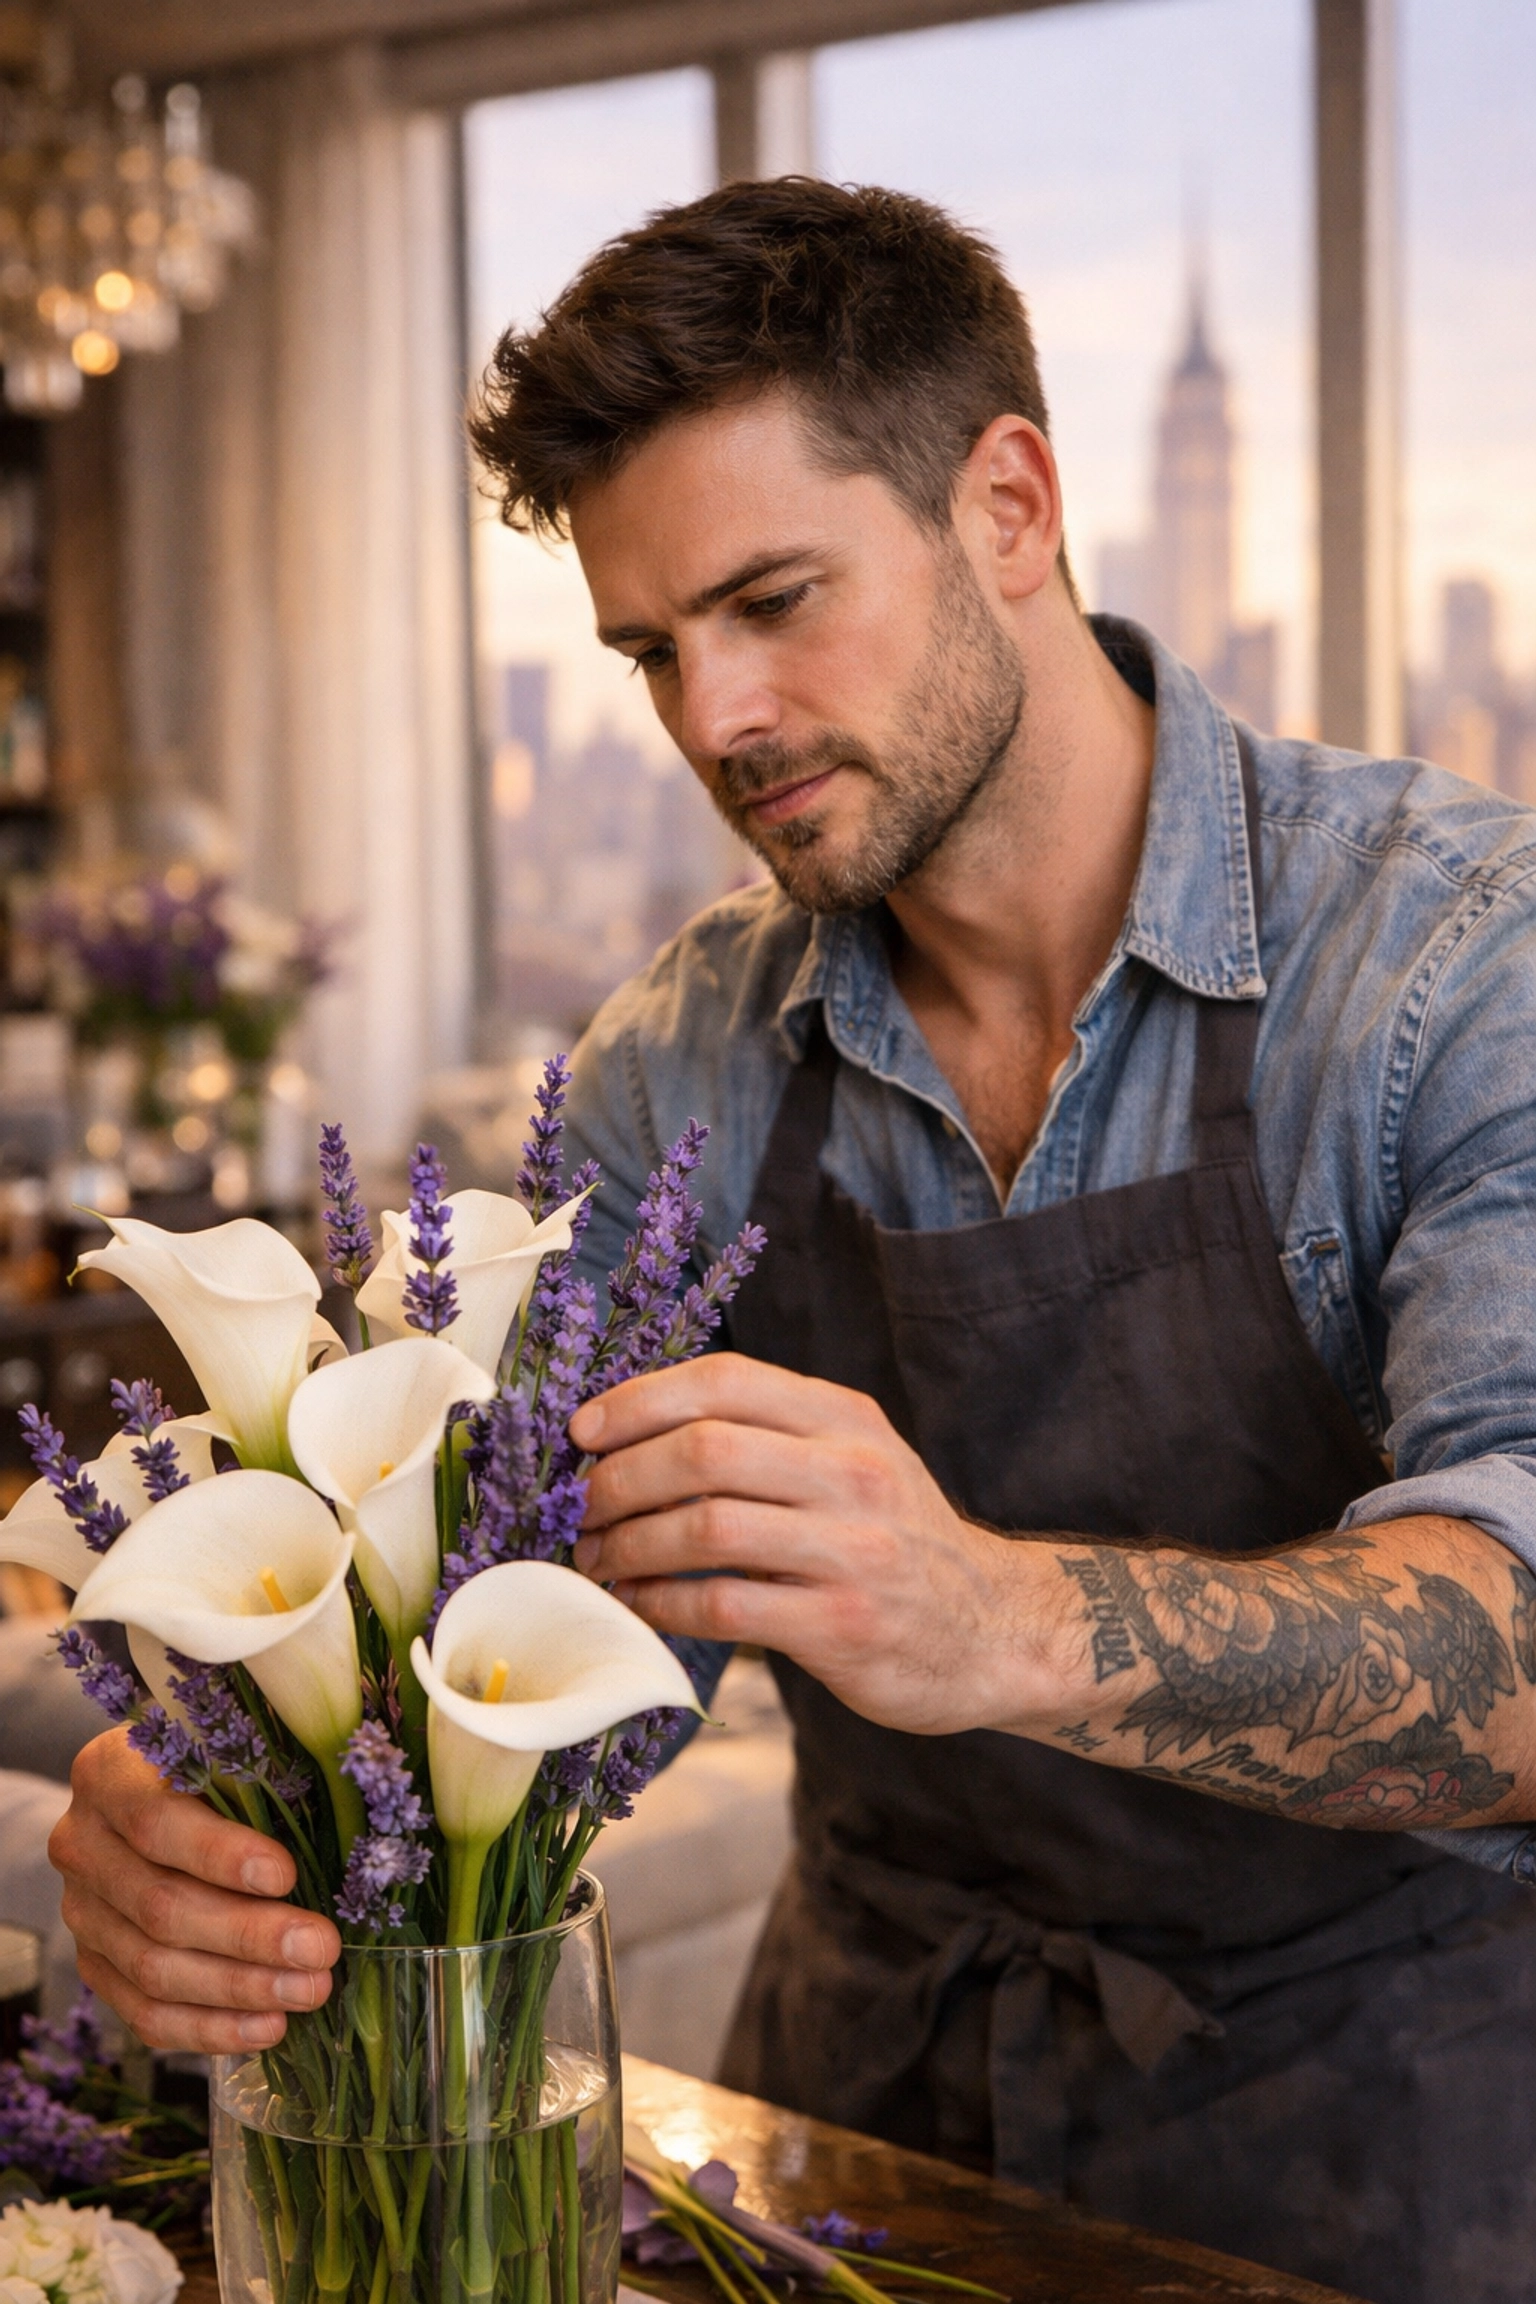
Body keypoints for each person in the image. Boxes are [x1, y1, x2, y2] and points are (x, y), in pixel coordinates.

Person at [48, 181, 1536, 2304]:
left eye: (772, 600)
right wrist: (218, 1807)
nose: (714, 722)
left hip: (1384, 2141)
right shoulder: (680, 1063)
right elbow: (541, 1655)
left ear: (1007, 503)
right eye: (653, 649)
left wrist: (995, 1621)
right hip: (848, 2142)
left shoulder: (1457, 956)